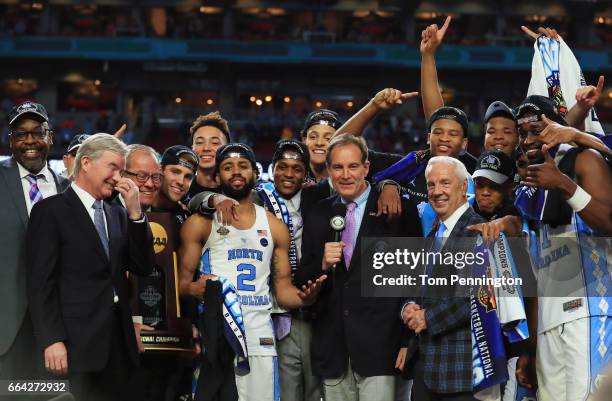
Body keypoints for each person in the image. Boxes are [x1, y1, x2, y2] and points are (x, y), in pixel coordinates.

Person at [178, 143, 324, 401]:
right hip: (218, 337)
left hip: (261, 339)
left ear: (255, 174)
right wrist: (194, 289)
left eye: (243, 166)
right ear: (217, 176)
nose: (236, 172)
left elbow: (282, 289)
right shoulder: (199, 223)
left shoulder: (274, 226)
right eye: (228, 167)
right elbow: (180, 285)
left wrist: (306, 298)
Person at [26, 133, 155, 401]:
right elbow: (41, 284)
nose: (119, 178)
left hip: (118, 348)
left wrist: (135, 214)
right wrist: (51, 339)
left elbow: (143, 266)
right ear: (86, 163)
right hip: (73, 346)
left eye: (121, 170)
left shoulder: (118, 214)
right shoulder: (50, 211)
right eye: (113, 168)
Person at [296, 134, 422, 401]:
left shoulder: (397, 208)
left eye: (353, 166)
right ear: (328, 170)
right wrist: (321, 264)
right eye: (338, 167)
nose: (345, 175)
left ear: (366, 167)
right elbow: (303, 279)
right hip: (334, 350)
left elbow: (413, 280)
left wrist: (406, 342)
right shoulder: (318, 213)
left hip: (382, 349)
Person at [512, 95, 612, 401]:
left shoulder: (583, 160)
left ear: (555, 127)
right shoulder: (530, 186)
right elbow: (538, 271)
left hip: (590, 312)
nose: (528, 139)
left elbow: (609, 221)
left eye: (536, 130)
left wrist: (565, 185)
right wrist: (530, 346)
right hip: (548, 322)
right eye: (523, 133)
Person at [401, 156, 485, 401]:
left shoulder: (479, 231)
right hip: (424, 369)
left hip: (459, 373)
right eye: (431, 185)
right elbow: (415, 289)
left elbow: (480, 297)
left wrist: (428, 317)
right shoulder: (432, 235)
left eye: (445, 183)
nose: (437, 191)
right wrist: (408, 308)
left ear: (462, 187)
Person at [0, 102, 70, 381]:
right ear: (10, 141)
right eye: (21, 133)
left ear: (50, 137)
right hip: (7, 332)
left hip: (58, 331)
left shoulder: (67, 189)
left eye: (38, 132)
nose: (30, 140)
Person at [186, 111, 231, 201]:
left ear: (227, 149)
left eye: (214, 142)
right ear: (192, 148)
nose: (206, 148)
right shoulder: (181, 192)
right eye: (199, 142)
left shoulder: (239, 192)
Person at [300, 109, 343, 183]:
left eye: (328, 138)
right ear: (304, 140)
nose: (319, 143)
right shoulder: (292, 176)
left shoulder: (348, 178)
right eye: (313, 137)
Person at [121, 144, 163, 211]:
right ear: (122, 175)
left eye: (155, 176)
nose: (150, 184)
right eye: (141, 176)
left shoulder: (165, 217)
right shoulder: (105, 213)